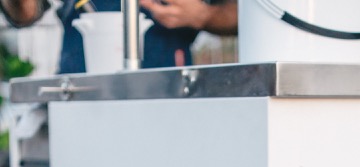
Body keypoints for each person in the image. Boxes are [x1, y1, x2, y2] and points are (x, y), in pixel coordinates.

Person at [0, 0, 237, 72]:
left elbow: (243, 14)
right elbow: (25, 13)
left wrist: (205, 15)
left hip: (168, 91)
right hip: (79, 94)